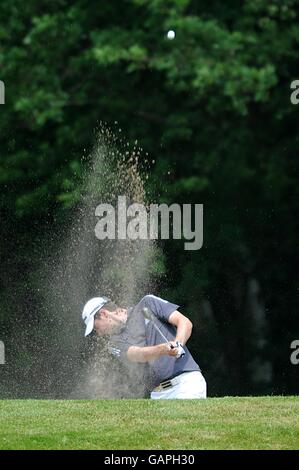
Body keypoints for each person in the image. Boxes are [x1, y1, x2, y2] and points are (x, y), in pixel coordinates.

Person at [82, 294, 207, 399]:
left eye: (96, 328)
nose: (98, 333)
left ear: (104, 314)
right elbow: (138, 355)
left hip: (186, 384)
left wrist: (178, 343)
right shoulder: (113, 343)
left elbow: (184, 322)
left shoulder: (147, 303)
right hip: (158, 394)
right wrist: (164, 348)